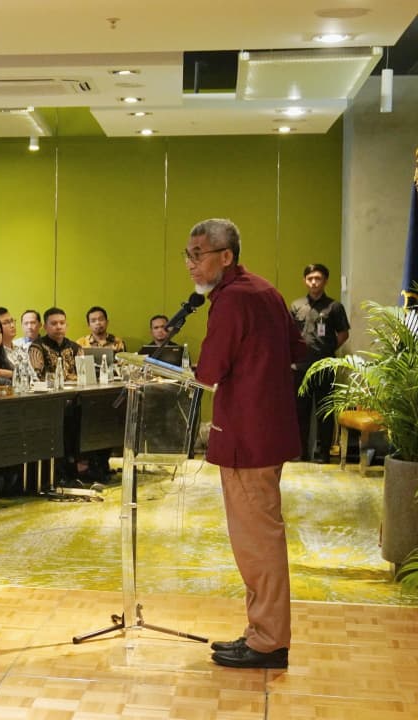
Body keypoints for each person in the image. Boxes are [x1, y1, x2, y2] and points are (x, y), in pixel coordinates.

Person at [186, 218, 305, 669]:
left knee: (256, 543)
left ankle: (268, 641)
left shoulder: (233, 299)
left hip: (247, 438)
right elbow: (297, 348)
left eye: (199, 254)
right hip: (266, 432)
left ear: (226, 256)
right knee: (260, 538)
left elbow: (209, 370)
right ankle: (262, 632)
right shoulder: (265, 291)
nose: (191, 264)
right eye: (188, 255)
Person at [291, 263, 350, 463]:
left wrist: (327, 349)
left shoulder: (334, 307)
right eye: (310, 278)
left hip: (324, 366)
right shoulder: (297, 306)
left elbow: (343, 334)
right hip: (300, 367)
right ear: (304, 281)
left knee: (324, 411)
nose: (314, 282)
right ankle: (300, 452)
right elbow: (290, 334)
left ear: (325, 281)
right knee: (300, 411)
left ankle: (323, 453)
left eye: (318, 278)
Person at [29, 307, 80, 381]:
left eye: (62, 323)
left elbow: (84, 374)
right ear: (45, 327)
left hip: (75, 387)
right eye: (54, 323)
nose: (59, 327)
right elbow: (36, 375)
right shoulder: (37, 347)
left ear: (66, 325)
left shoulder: (75, 347)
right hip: (48, 387)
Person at [0, 306, 34, 380]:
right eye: (6, 323)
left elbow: (34, 376)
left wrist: (12, 374)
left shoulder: (21, 349)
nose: (12, 325)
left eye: (12, 321)